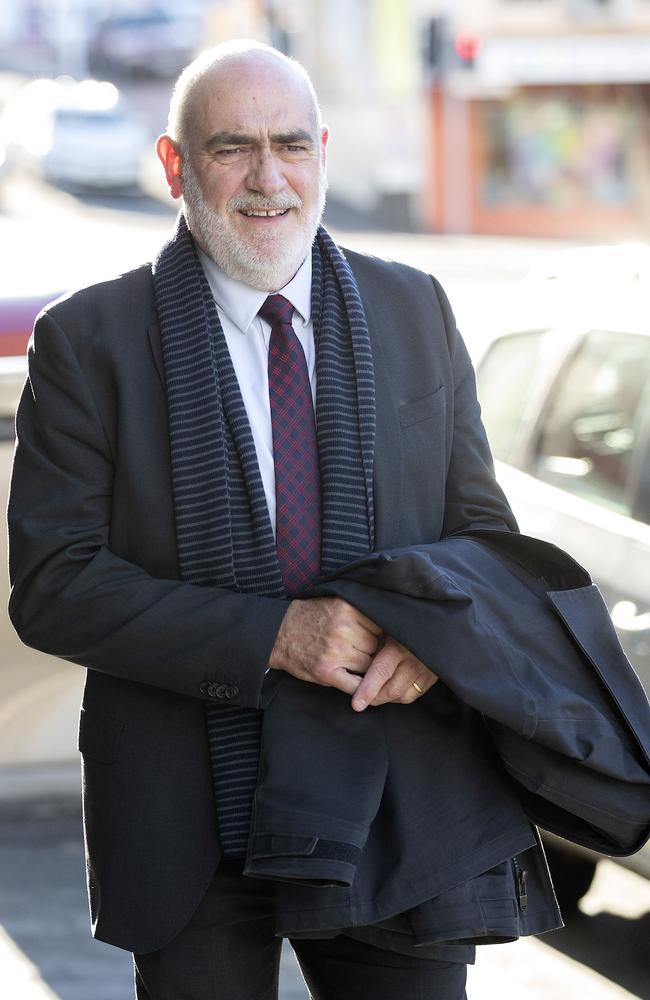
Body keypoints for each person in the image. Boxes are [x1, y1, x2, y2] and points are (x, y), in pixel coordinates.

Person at [8, 40, 525, 1000]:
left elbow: (483, 540)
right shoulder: (88, 341)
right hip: (186, 815)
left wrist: (433, 632)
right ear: (174, 166)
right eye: (231, 147)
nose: (267, 178)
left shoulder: (415, 308)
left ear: (323, 152)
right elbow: (54, 587)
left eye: (291, 144)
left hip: (396, 793)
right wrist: (275, 636)